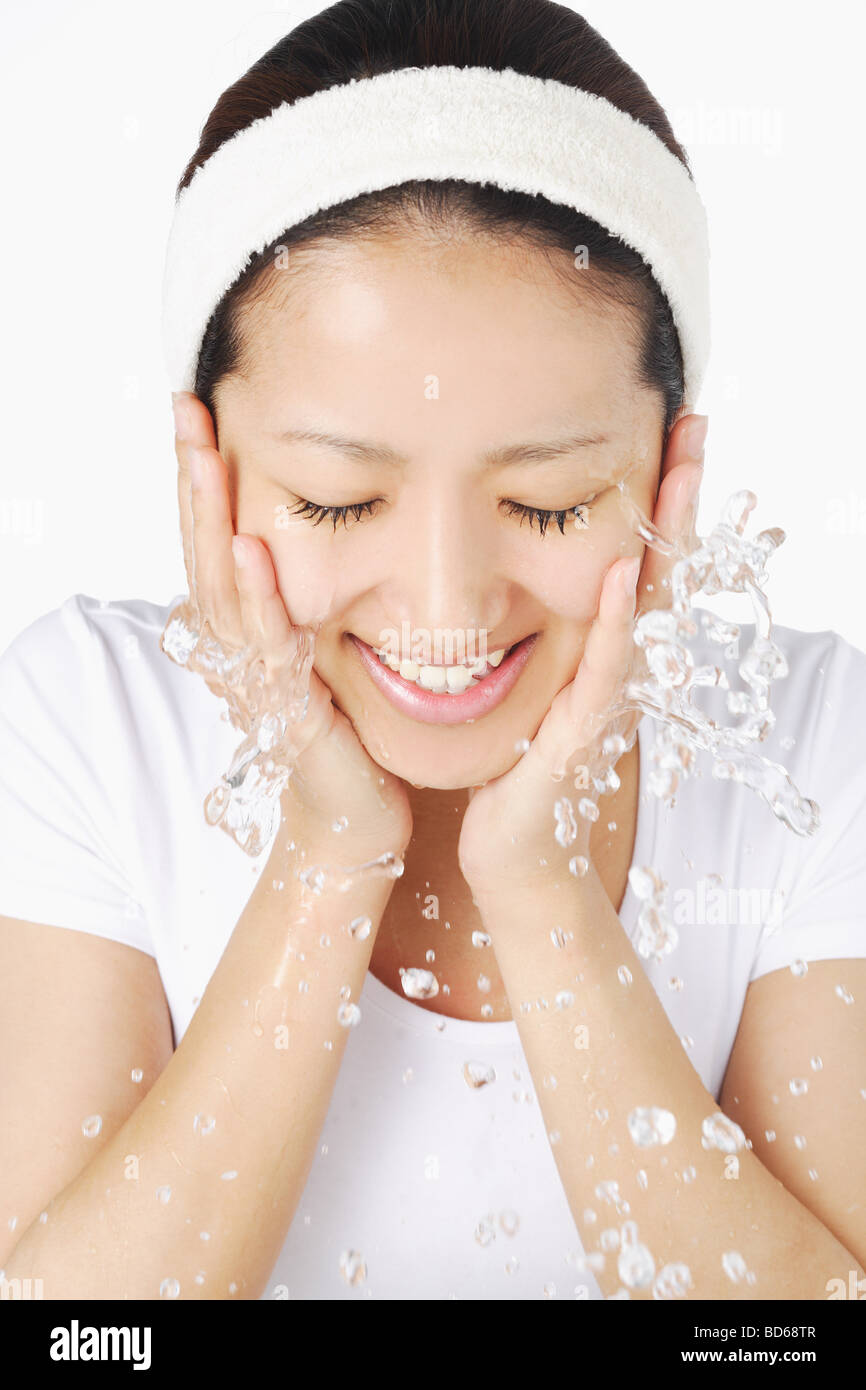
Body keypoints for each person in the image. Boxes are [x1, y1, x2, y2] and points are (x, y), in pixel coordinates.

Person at [1, 0, 865, 1302]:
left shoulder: (807, 745)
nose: (448, 600)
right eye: (340, 501)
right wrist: (326, 850)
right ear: (209, 472)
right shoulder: (92, 723)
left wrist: (541, 885)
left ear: (669, 469)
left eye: (552, 502)